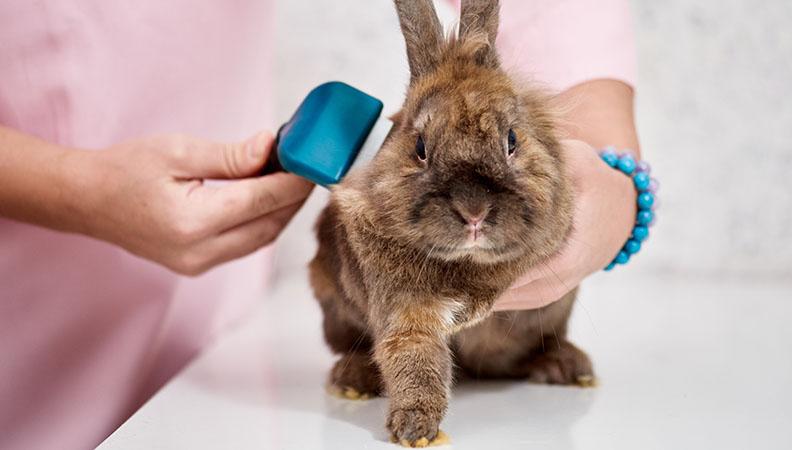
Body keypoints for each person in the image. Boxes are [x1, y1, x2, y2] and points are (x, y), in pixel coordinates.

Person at [0, 0, 639, 448]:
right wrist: (76, 188)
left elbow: (560, 14)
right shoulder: (375, 216)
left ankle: (535, 349)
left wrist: (619, 183)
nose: (473, 206)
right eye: (420, 151)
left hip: (213, 323)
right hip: (27, 335)